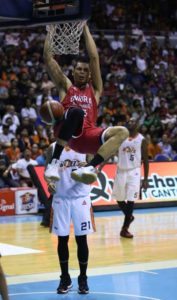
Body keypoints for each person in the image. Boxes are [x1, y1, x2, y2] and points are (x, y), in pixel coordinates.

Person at [43, 23, 129, 184]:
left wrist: (84, 27)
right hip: (67, 133)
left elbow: (94, 58)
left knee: (123, 132)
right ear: (73, 72)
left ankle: (90, 167)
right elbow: (48, 59)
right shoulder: (66, 86)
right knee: (76, 112)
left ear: (89, 75)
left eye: (85, 70)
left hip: (87, 137)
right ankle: (54, 162)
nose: (82, 72)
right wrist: (51, 30)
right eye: (79, 69)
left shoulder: (95, 91)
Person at [45, 143, 95, 294]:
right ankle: (65, 278)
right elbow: (47, 171)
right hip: (61, 199)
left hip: (81, 198)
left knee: (82, 239)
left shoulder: (86, 146)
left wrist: (90, 174)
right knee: (62, 239)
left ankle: (83, 278)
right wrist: (49, 183)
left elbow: (94, 169)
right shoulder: (53, 148)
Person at [112, 117, 149, 238]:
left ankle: (125, 228)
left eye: (133, 121)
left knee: (131, 199)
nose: (130, 123)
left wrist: (146, 179)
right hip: (121, 170)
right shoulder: (121, 137)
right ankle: (129, 216)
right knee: (119, 198)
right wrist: (101, 165)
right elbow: (111, 150)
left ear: (137, 124)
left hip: (134, 171)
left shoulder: (142, 139)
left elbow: (146, 160)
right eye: (128, 121)